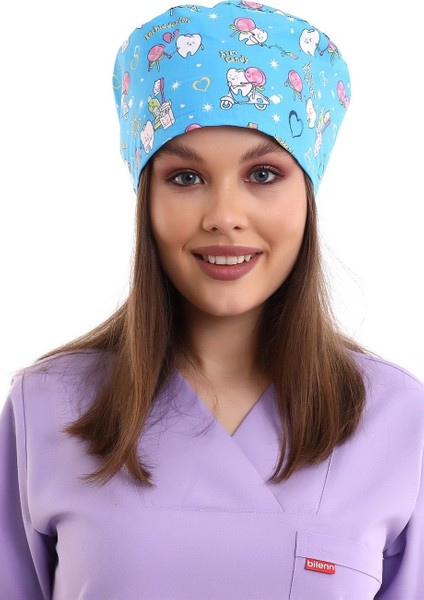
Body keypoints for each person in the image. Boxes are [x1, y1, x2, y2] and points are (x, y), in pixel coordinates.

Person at [0, 1, 423, 598]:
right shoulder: (48, 407)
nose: (224, 216)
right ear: (147, 199)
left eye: (263, 175)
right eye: (186, 178)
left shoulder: (398, 419)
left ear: (308, 194)